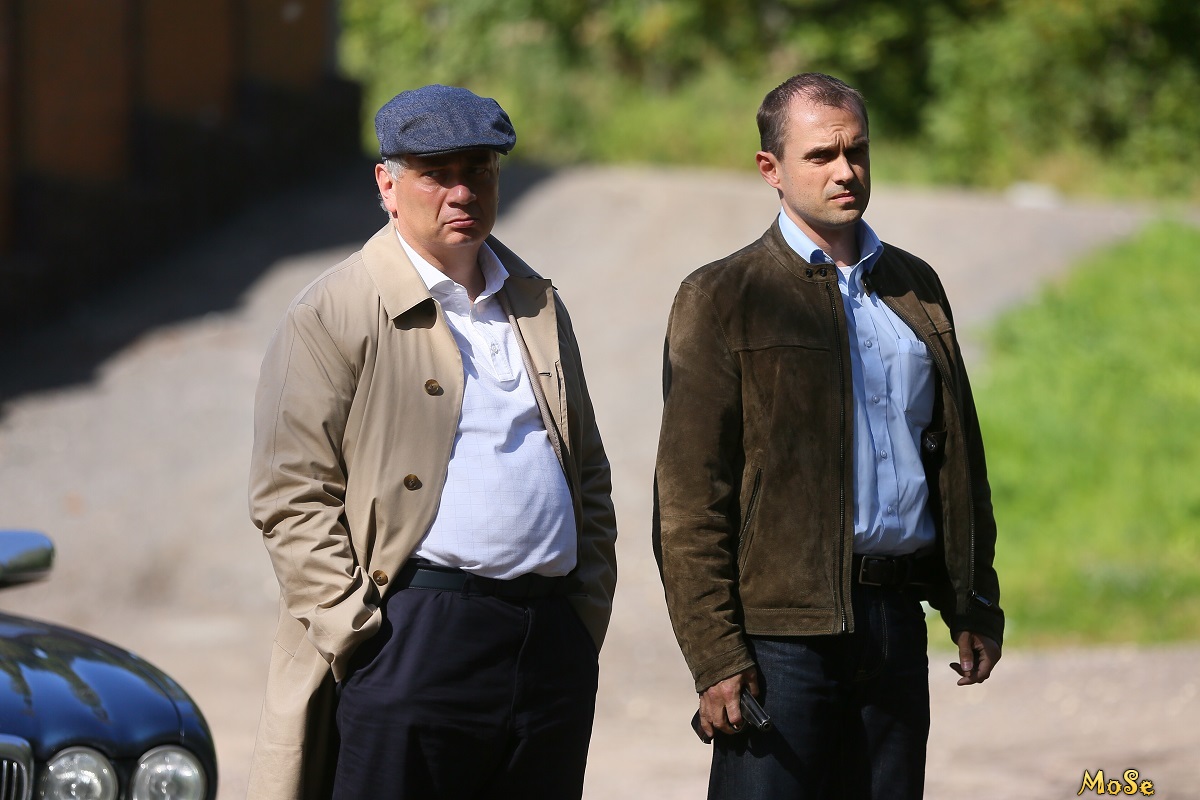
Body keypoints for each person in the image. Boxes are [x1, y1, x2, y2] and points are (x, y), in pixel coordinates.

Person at [247, 84, 618, 800]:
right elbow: (290, 494)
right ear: (387, 185)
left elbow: (587, 466)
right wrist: (358, 635)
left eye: (478, 170)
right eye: (435, 174)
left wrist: (581, 613)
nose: (462, 192)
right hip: (411, 640)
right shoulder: (333, 310)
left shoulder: (536, 301)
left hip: (548, 642)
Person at [652, 72, 1003, 799]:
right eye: (821, 155)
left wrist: (972, 600)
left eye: (857, 150)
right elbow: (688, 497)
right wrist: (716, 653)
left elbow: (958, 458)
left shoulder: (915, 286)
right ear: (771, 169)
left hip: (894, 623)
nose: (846, 170)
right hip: (780, 640)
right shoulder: (722, 296)